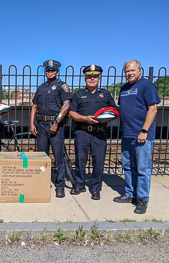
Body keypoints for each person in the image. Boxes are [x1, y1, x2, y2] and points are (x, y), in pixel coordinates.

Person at [113, 59, 160, 214]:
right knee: (128, 166)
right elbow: (124, 108)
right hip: (127, 134)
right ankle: (130, 194)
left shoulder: (147, 86)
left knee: (142, 169)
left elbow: (152, 109)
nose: (130, 73)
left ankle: (142, 199)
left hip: (142, 136)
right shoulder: (124, 88)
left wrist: (144, 131)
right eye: (127, 71)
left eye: (133, 70)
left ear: (140, 71)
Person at [69, 65, 116, 200]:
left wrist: (106, 117)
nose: (92, 78)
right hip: (82, 132)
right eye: (89, 76)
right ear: (85, 78)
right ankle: (79, 185)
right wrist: (85, 119)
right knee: (80, 160)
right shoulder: (78, 95)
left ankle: (96, 189)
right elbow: (72, 113)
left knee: (98, 161)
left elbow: (114, 110)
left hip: (99, 133)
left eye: (95, 76)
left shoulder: (106, 94)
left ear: (99, 79)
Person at [30, 59, 71, 198]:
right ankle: (42, 183)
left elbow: (66, 104)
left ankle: (60, 186)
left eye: (53, 70)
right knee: (42, 157)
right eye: (48, 70)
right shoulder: (41, 87)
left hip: (55, 126)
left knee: (58, 158)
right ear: (45, 71)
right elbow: (34, 106)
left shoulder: (62, 85)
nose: (50, 72)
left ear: (57, 71)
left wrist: (56, 122)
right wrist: (31, 124)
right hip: (41, 125)